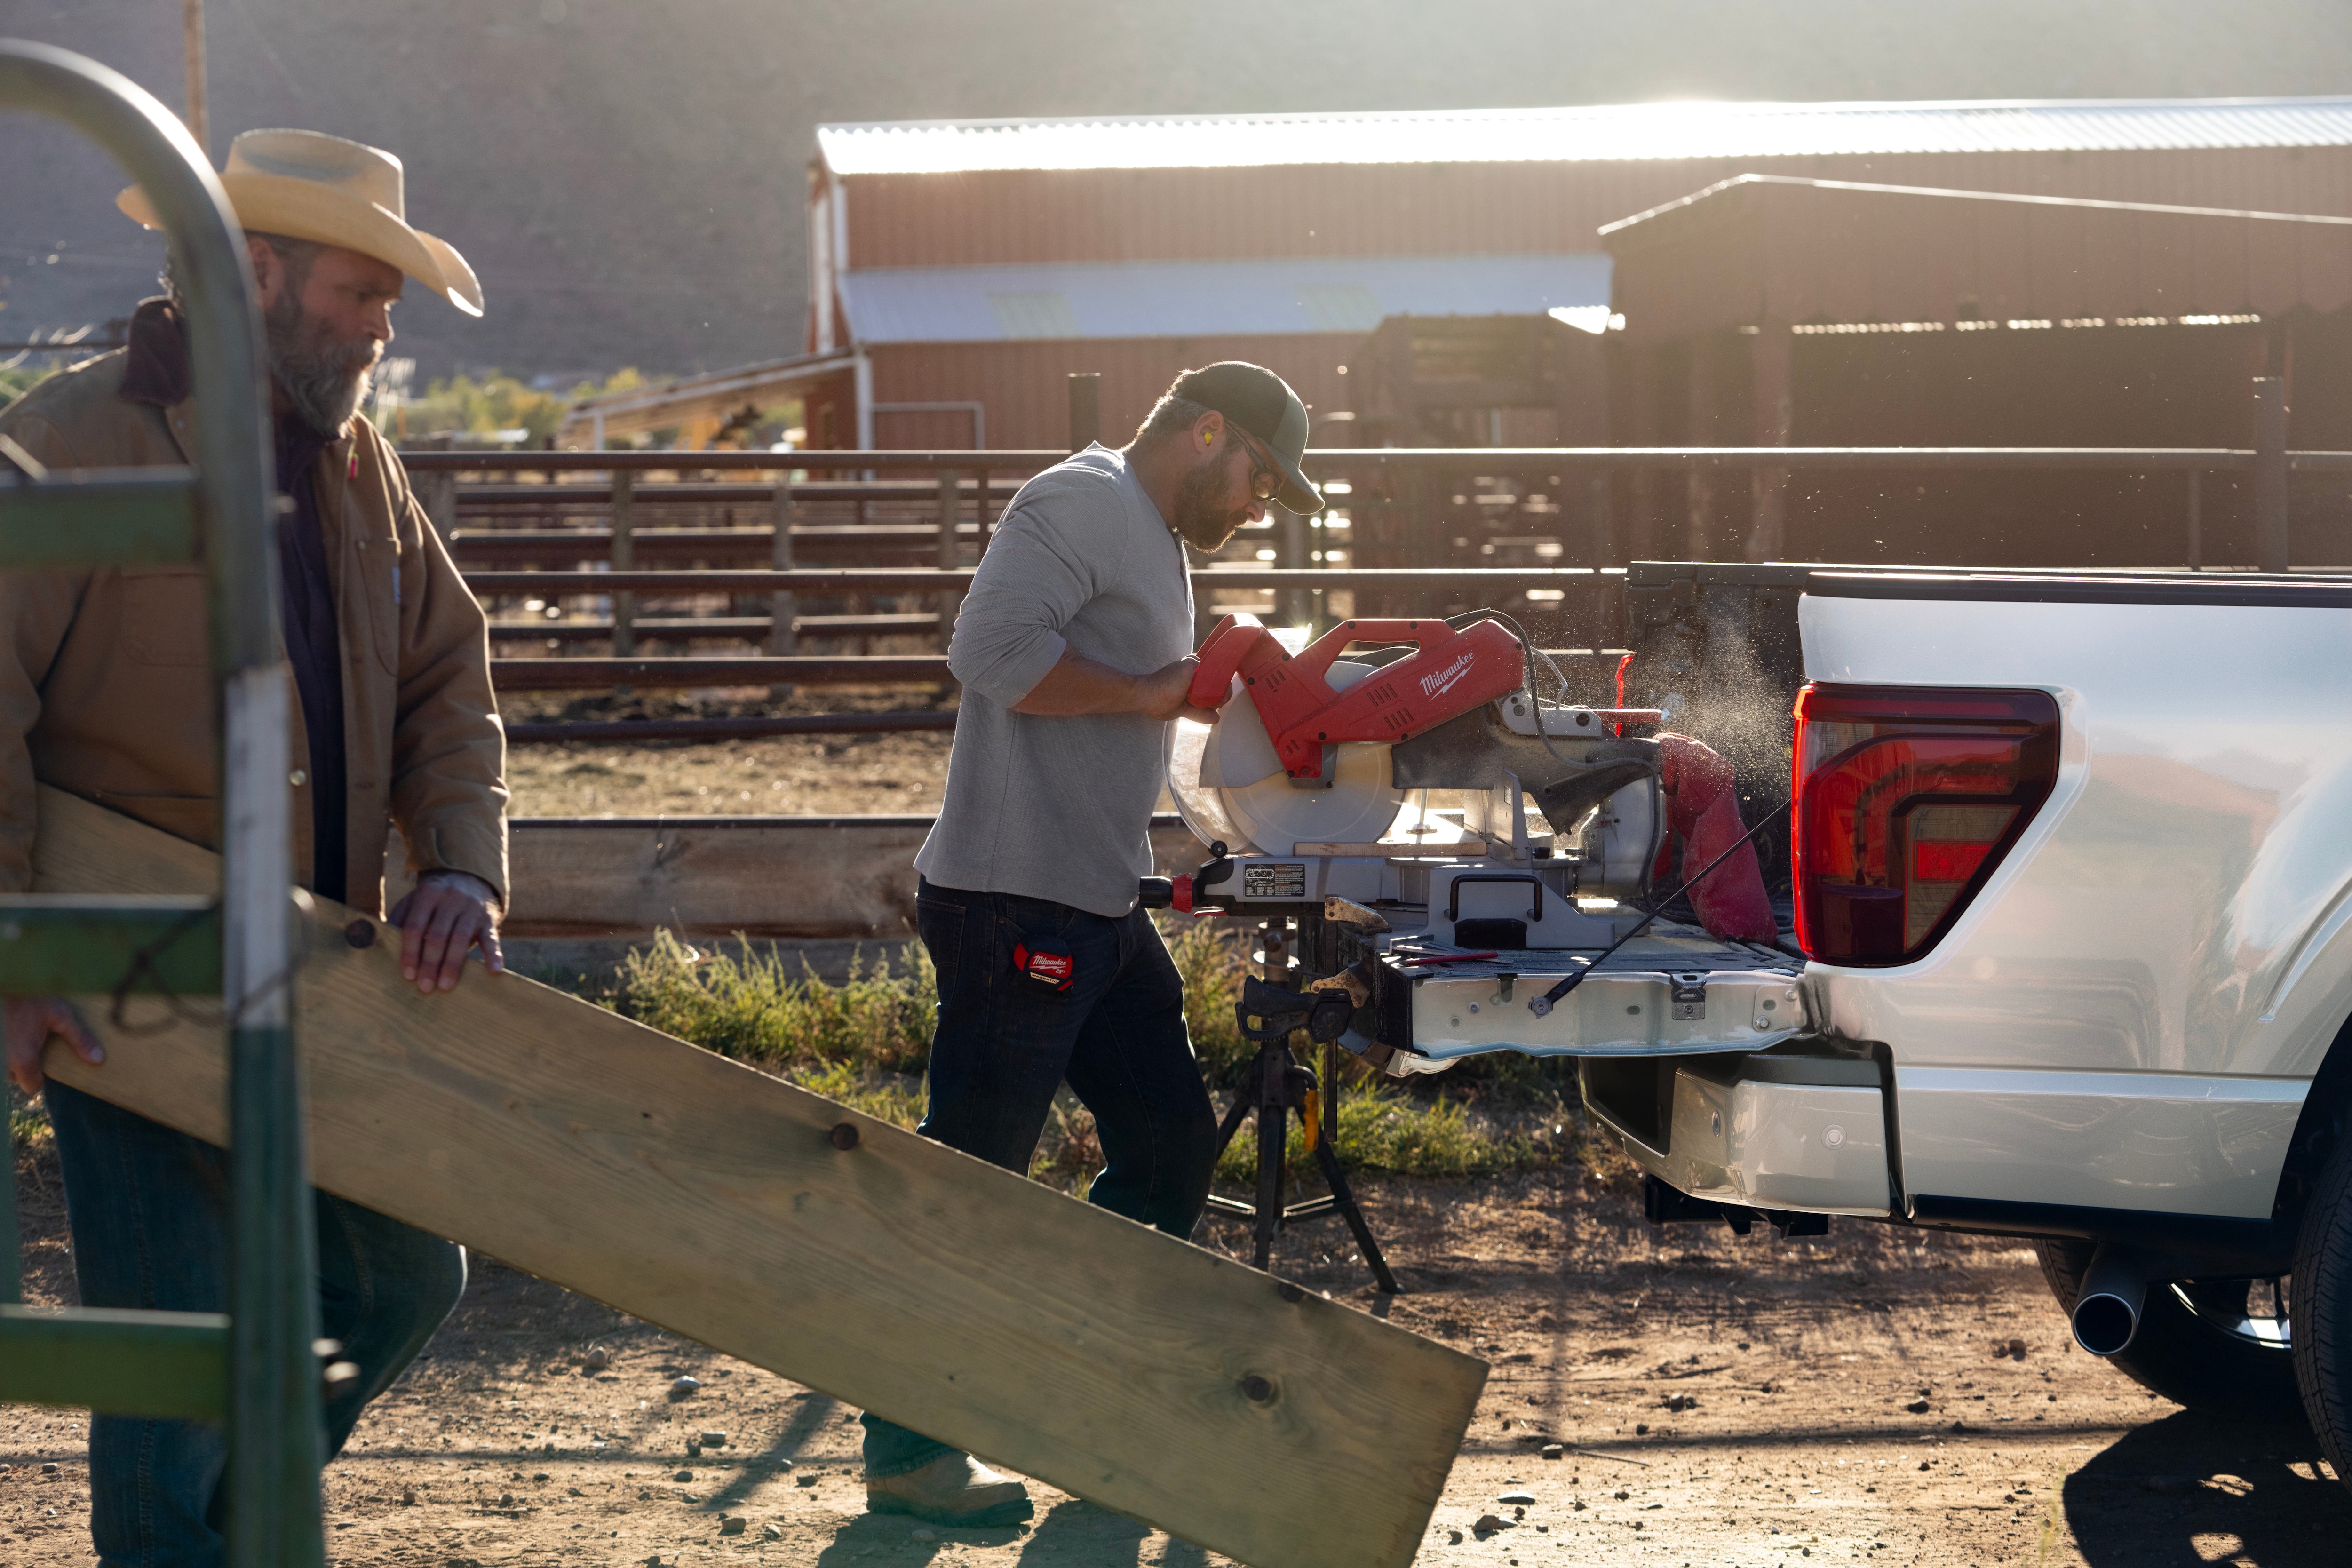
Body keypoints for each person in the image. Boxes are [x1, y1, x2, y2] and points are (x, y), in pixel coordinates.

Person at [0, 128, 506, 1566]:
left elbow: (447, 673)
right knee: (176, 1335)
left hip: (315, 976)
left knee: (402, 1269)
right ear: (256, 271)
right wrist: (12, 953)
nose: (382, 323)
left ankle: (217, 1527)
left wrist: (460, 860)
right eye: (359, 291)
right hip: (126, 975)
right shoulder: (70, 438)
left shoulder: (362, 467)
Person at [862, 363, 1326, 1524]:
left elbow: (1128, 689)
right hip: (1014, 901)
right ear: (1205, 429)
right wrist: (1165, 688)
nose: (1260, 503)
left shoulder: (1155, 533)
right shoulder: (1078, 499)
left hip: (1093, 900)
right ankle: (908, 1450)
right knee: (972, 1177)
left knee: (1171, 1145)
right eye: (1259, 476)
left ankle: (1085, 1398)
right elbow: (991, 655)